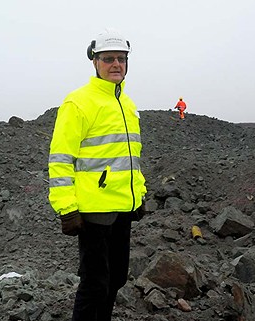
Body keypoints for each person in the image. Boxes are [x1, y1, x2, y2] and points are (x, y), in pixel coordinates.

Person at [48, 28, 148, 321]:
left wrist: (138, 193)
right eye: (108, 59)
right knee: (94, 283)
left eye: (121, 58)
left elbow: (130, 158)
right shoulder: (78, 103)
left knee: (116, 278)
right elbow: (61, 159)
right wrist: (66, 208)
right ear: (95, 62)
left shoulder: (127, 104)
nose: (116, 64)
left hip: (122, 206)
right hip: (93, 211)